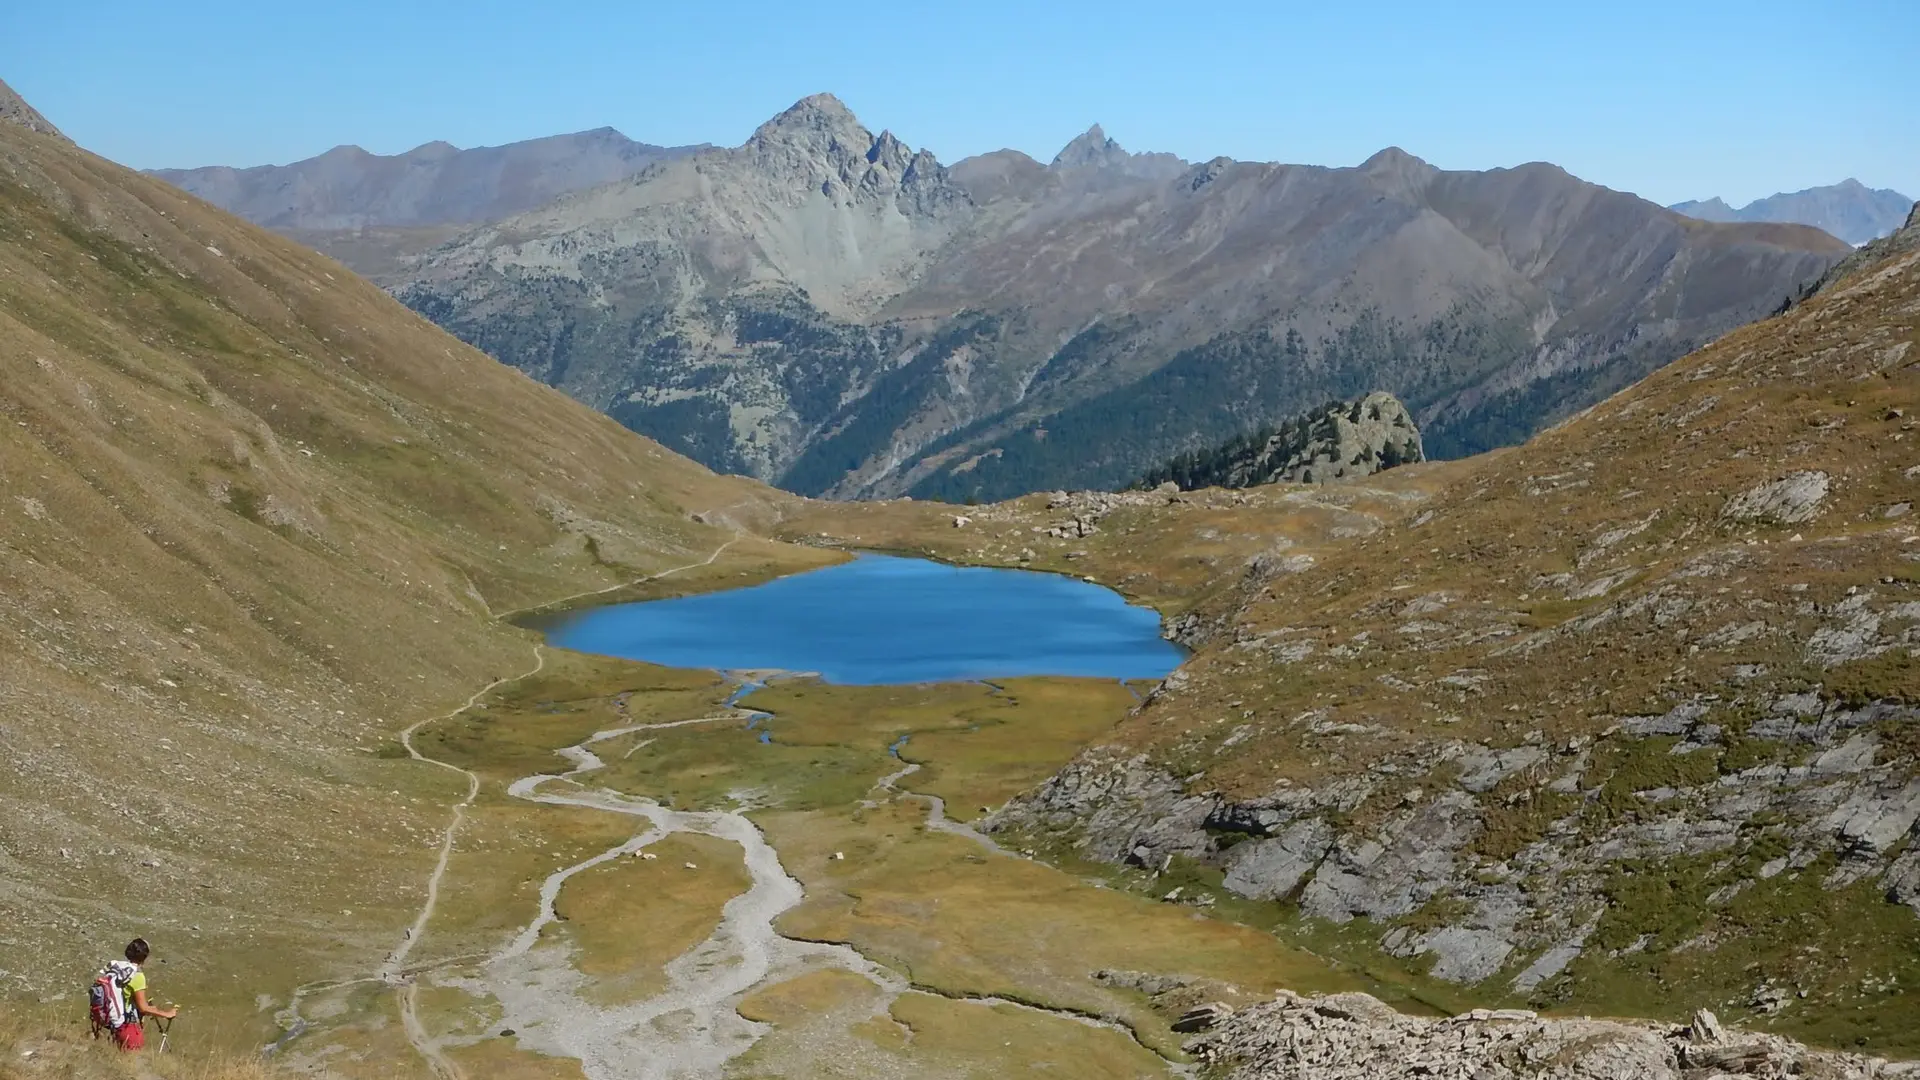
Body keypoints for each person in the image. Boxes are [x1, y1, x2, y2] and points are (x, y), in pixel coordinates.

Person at [112, 938, 176, 1051]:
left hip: (112, 1024)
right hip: (128, 1028)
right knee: (131, 1060)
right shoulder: (137, 976)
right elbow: (143, 1008)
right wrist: (167, 1014)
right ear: (144, 957)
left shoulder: (118, 969)